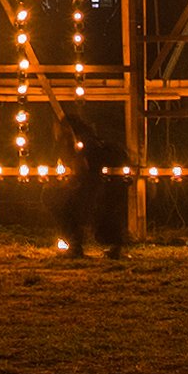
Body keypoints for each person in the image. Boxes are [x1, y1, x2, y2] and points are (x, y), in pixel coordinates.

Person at [56, 107, 135, 261]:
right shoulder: (89, 141)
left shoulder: (82, 144)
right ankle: (110, 247)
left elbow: (83, 168)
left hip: (96, 187)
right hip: (103, 186)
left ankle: (75, 247)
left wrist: (70, 183)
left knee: (69, 210)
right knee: (99, 216)